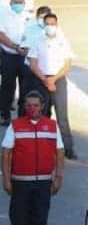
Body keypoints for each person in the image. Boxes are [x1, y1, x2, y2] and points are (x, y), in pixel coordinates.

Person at [2, 91, 65, 225]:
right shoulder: (15, 126)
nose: (32, 109)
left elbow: (59, 153)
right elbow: (6, 153)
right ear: (24, 106)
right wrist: (6, 179)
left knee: (40, 218)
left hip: (43, 183)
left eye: (35, 105)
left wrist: (58, 177)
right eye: (29, 105)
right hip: (20, 182)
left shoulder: (52, 127)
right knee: (19, 218)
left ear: (42, 106)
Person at [26, 12, 76, 159]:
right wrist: (46, 80)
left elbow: (67, 64)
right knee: (41, 115)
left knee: (62, 116)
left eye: (53, 24)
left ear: (57, 25)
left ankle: (68, 149)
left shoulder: (63, 41)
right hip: (41, 80)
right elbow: (33, 65)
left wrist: (54, 79)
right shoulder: (37, 41)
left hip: (58, 80)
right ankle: (42, 148)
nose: (50, 27)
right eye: (47, 24)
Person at [0, 0, 29, 126]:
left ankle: (23, 115)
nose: (18, 4)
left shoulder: (29, 17)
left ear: (24, 3)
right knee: (7, 86)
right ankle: (5, 115)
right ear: (11, 3)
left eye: (21, 2)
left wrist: (26, 50)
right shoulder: (3, 17)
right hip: (9, 56)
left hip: (25, 56)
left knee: (25, 86)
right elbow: (1, 35)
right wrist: (15, 46)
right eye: (16, 2)